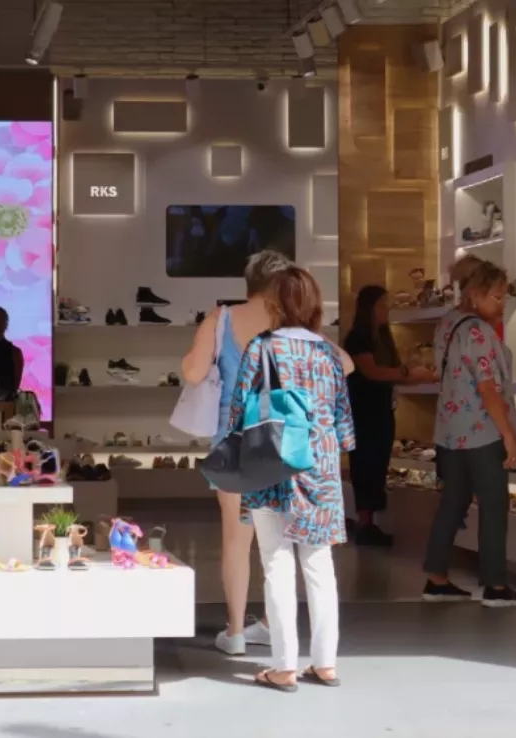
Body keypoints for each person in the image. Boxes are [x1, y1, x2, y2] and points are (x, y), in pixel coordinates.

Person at [227, 266, 354, 691]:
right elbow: (343, 420)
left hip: (273, 463)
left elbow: (239, 407)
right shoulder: (328, 353)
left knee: (276, 563)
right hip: (319, 466)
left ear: (275, 305)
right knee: (319, 565)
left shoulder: (262, 347)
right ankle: (326, 662)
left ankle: (283, 665)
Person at [181, 249, 292, 655]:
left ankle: (236, 633)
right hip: (279, 437)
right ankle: (273, 625)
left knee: (235, 539)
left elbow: (193, 372)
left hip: (231, 438)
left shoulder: (222, 318)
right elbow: (341, 365)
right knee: (277, 540)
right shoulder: (290, 322)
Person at [422, 261, 516, 607]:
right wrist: (510, 437)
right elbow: (488, 389)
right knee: (494, 504)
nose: (502, 305)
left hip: (449, 432)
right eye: (497, 298)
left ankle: (437, 578)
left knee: (453, 503)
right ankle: (496, 586)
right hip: (481, 433)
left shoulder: (447, 324)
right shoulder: (479, 332)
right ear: (475, 293)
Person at [342, 285, 436, 546]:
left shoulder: (382, 338)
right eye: (382, 305)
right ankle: (364, 523)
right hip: (363, 412)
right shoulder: (358, 338)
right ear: (369, 308)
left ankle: (369, 522)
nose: (387, 310)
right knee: (365, 465)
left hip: (381, 410)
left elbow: (390, 372)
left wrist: (413, 374)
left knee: (377, 465)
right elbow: (373, 372)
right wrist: (408, 374)